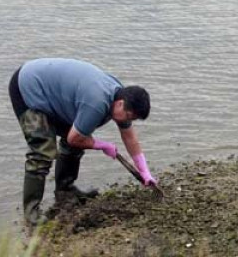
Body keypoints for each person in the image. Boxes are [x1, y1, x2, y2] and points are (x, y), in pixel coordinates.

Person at [9, 58, 156, 226]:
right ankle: (31, 213)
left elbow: (130, 137)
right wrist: (103, 145)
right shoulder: (97, 103)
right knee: (42, 151)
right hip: (28, 86)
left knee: (76, 141)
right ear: (121, 104)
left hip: (56, 95)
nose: (129, 121)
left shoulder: (121, 98)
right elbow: (75, 138)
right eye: (130, 117)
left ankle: (65, 191)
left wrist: (145, 172)